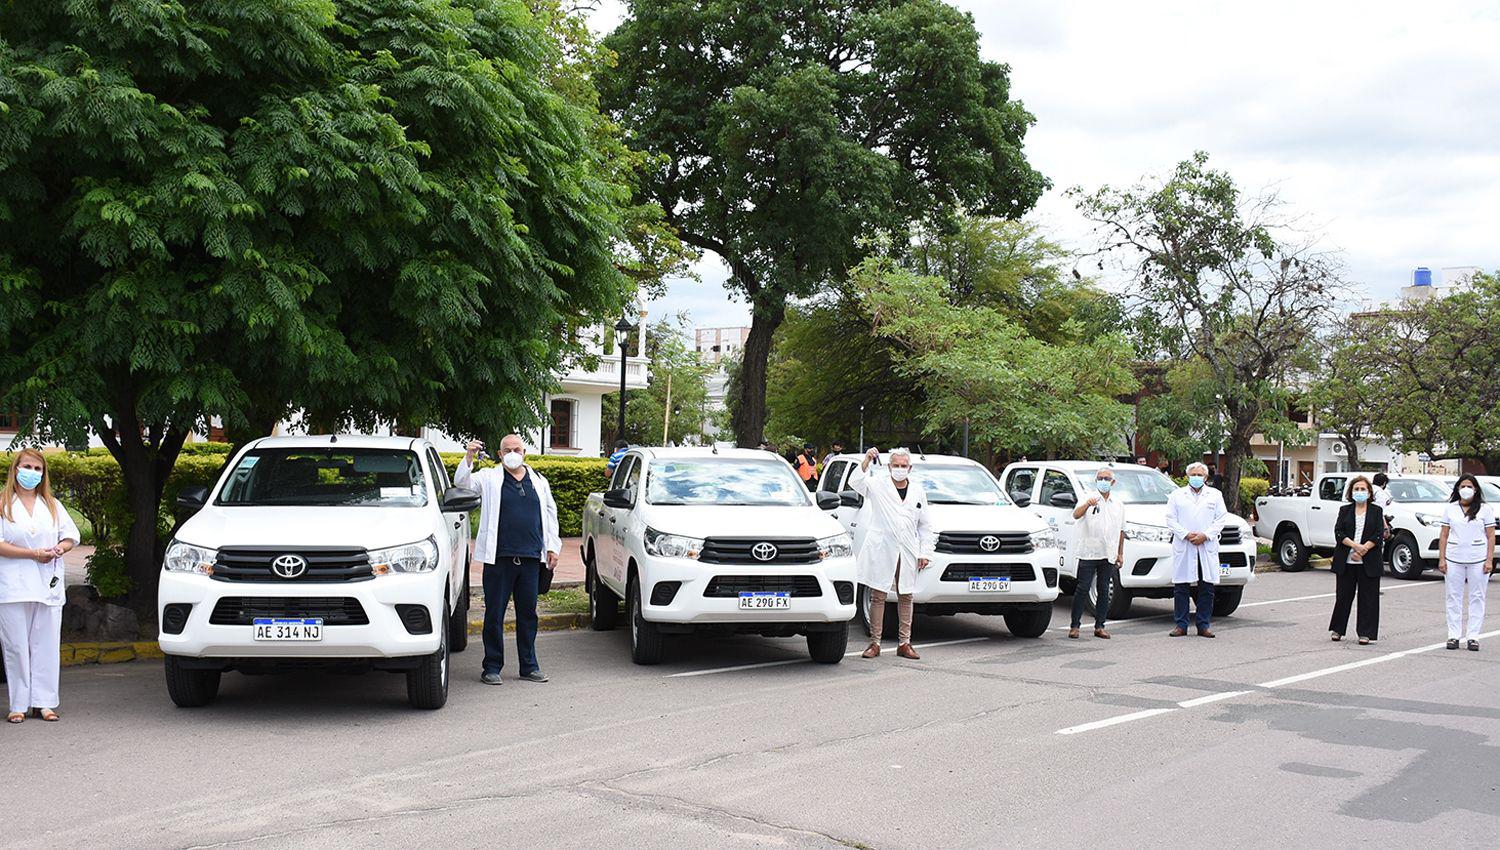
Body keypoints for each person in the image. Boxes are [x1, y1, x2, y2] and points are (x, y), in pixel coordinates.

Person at [455, 435, 561, 684]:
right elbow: (462, 484)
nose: (513, 453)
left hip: (531, 557)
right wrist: (469, 457)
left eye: (517, 449)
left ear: (524, 452)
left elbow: (550, 514)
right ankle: (492, 666)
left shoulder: (539, 481)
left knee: (528, 614)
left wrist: (552, 548)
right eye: (507, 450)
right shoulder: (489, 478)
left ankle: (529, 665)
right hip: (499, 558)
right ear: (500, 455)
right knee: (494, 613)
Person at [1, 449, 81, 723]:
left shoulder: (52, 505)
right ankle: (18, 704)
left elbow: (71, 536)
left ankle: (44, 702)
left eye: (38, 469)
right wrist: (32, 554)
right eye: (27, 467)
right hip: (13, 586)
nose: (32, 473)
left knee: (45, 644)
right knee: (16, 645)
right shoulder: (3, 504)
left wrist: (60, 548)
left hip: (47, 583)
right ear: (15, 469)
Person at [848, 447, 932, 659]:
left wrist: (925, 552)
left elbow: (925, 525)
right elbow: (856, 482)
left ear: (910, 468)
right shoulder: (878, 485)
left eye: (904, 466)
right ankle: (874, 642)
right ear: (889, 466)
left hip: (907, 549)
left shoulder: (918, 491)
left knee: (906, 595)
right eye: (896, 465)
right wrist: (866, 460)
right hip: (883, 547)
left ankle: (905, 643)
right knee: (878, 595)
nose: (900, 469)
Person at [1165, 462, 1229, 638]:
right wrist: (1185, 534)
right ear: (1187, 476)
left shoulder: (1215, 495)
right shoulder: (1177, 495)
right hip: (1185, 545)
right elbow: (1170, 519)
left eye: (1200, 475)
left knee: (1206, 587)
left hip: (1206, 545)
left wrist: (1206, 535)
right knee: (1181, 587)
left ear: (1206, 477)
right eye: (1193, 474)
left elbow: (1221, 519)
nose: (1196, 477)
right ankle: (1181, 624)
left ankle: (1203, 624)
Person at [1438, 474, 1495, 651]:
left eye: (1469, 486)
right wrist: (1441, 558)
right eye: (1463, 486)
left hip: (1477, 558)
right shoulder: (1450, 509)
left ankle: (1473, 636)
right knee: (1453, 596)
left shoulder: (1484, 509)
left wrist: (1489, 560)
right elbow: (1444, 534)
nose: (1466, 489)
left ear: (1476, 489)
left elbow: (1491, 535)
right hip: (1454, 557)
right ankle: (1454, 635)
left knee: (1477, 597)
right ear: (1457, 489)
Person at [1069, 467, 1125, 639]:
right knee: (1083, 588)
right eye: (1100, 478)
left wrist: (1120, 553)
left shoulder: (1118, 503)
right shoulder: (1088, 497)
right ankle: (1075, 625)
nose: (1103, 481)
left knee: (1103, 589)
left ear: (1113, 482)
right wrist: (1087, 505)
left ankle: (1100, 625)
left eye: (1107, 478)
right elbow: (1076, 515)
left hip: (1108, 552)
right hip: (1089, 551)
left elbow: (1121, 530)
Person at [1329, 476, 1385, 645]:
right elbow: (1339, 532)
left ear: (1369, 492)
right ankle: (1337, 629)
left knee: (1368, 598)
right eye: (1356, 489)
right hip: (1346, 560)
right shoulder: (1344, 510)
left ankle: (1365, 633)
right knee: (1343, 596)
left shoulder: (1376, 511)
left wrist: (1363, 550)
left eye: (1363, 489)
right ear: (1351, 492)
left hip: (1369, 560)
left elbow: (1378, 533)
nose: (1359, 492)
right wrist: (1354, 546)